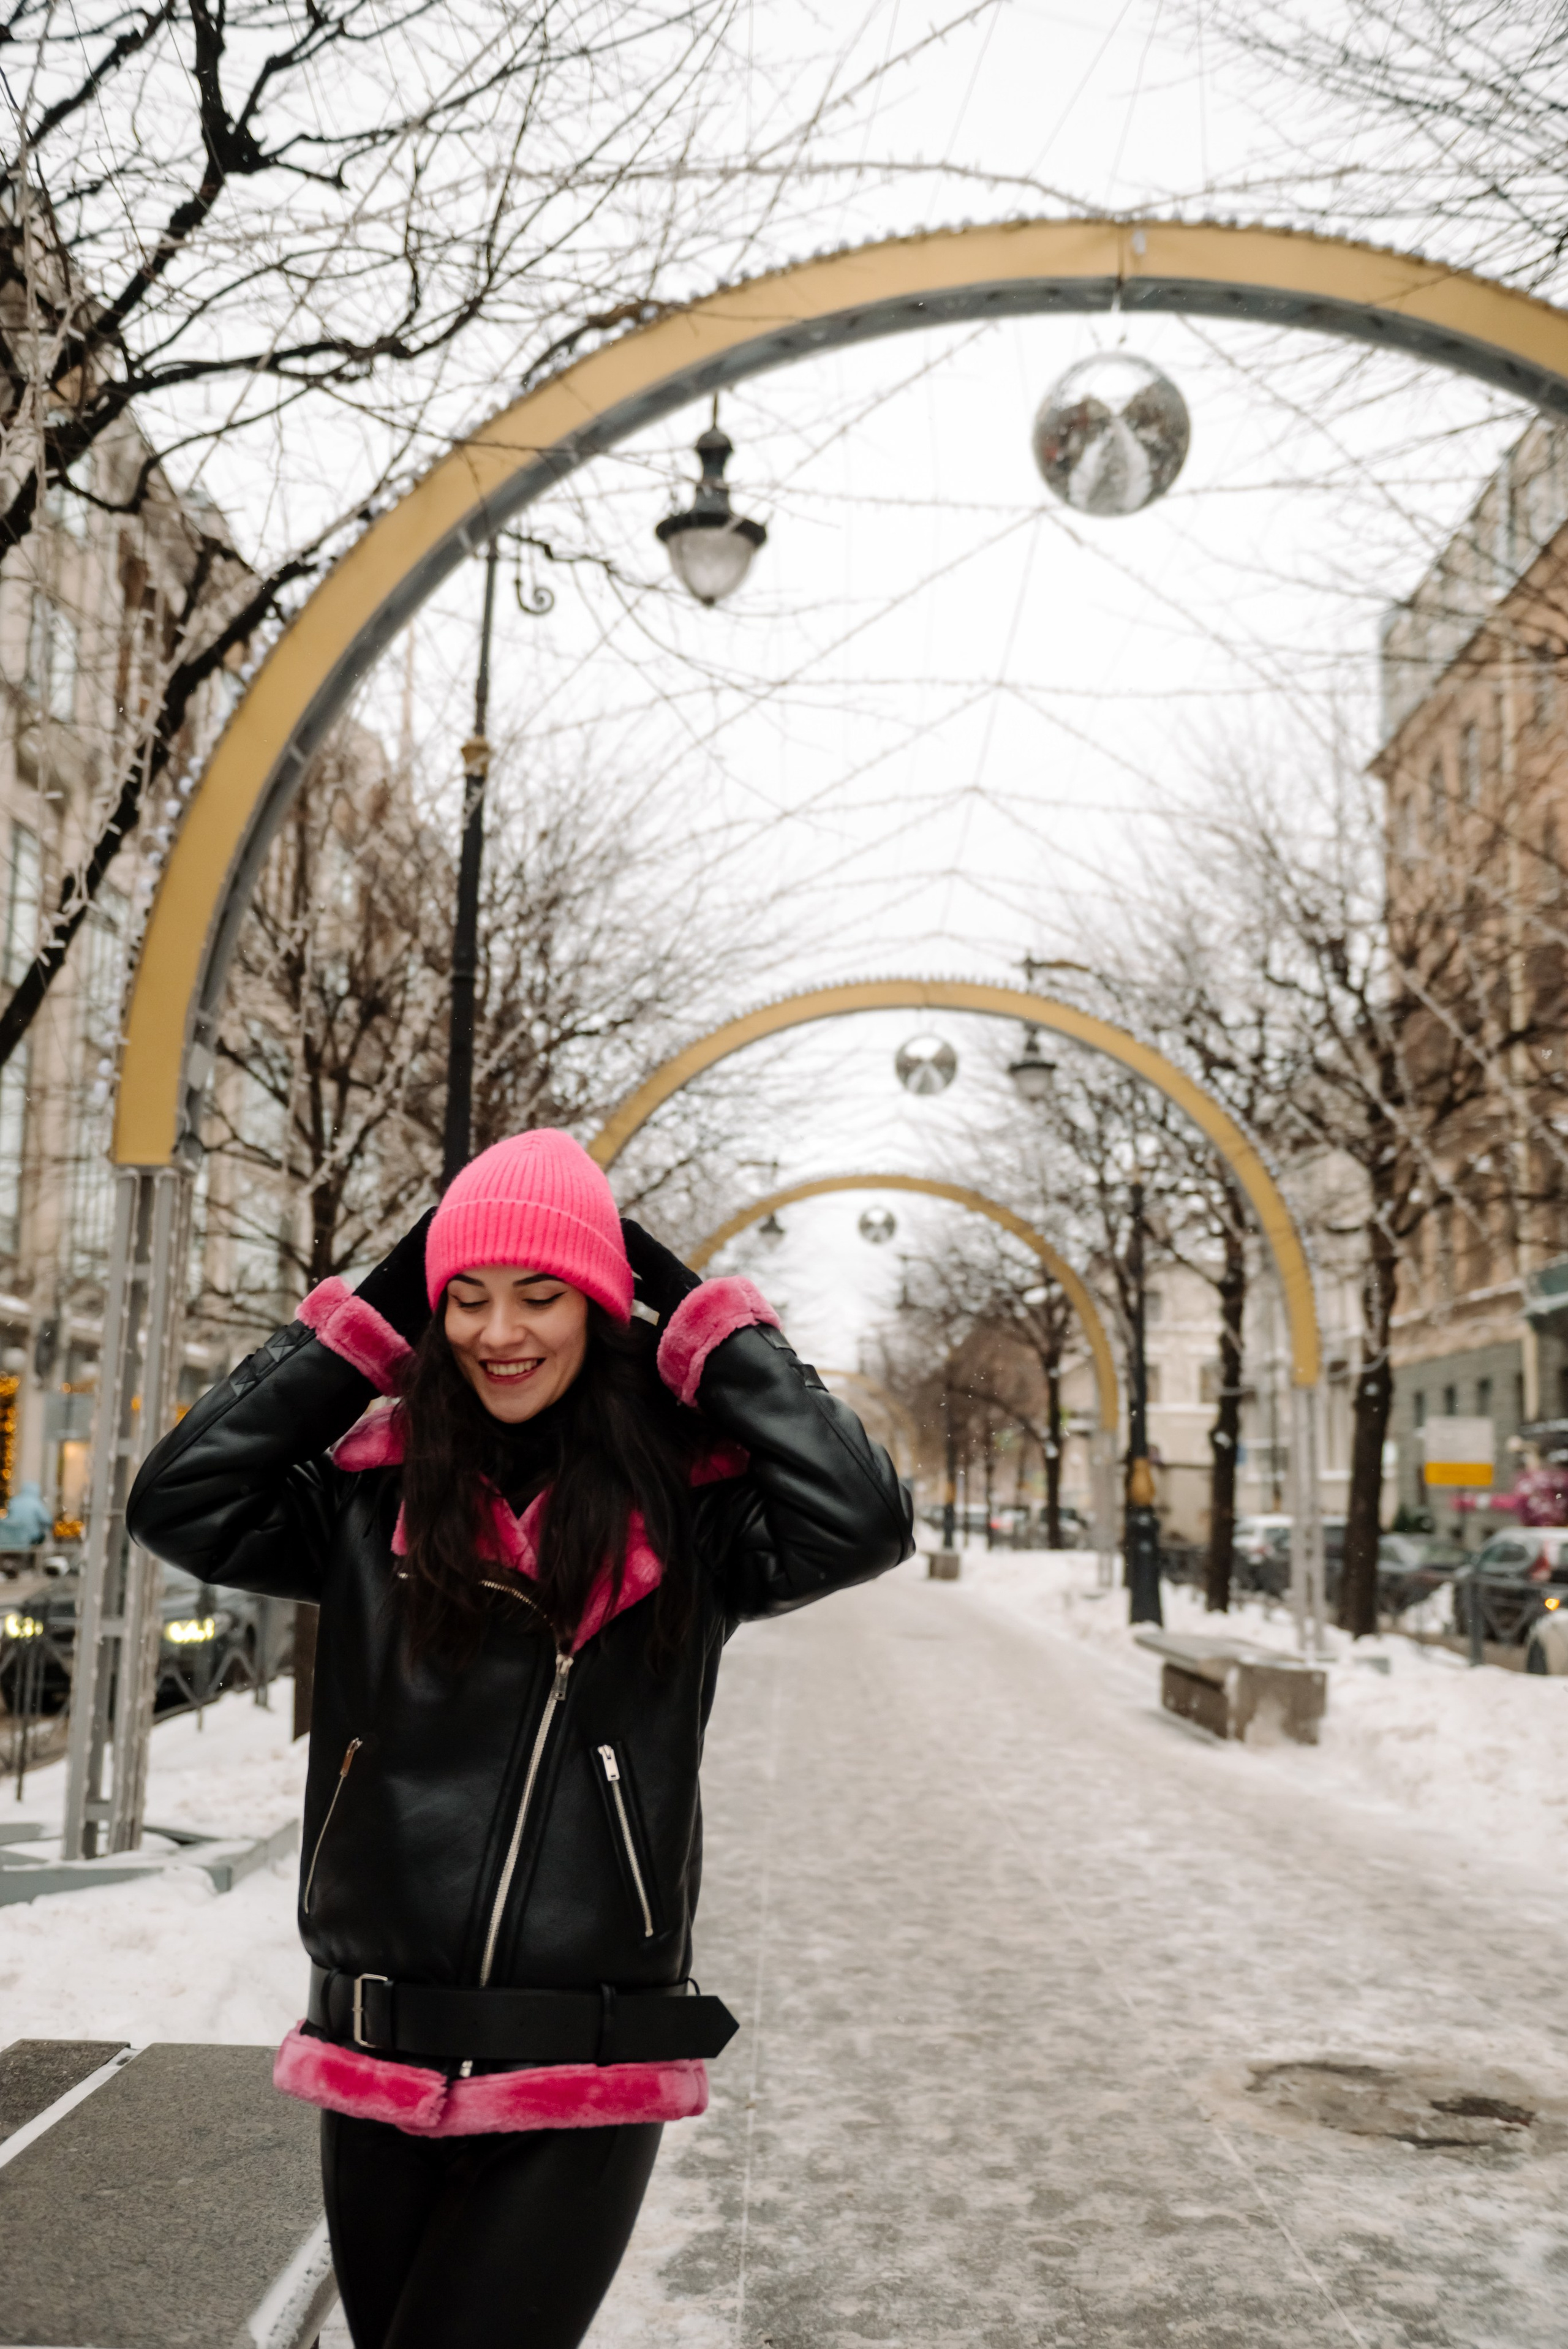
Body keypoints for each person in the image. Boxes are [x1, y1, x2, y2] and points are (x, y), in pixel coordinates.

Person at [128, 1129, 912, 2349]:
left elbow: (859, 1514)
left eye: (541, 1293)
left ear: (602, 1308)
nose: (500, 1330)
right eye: (467, 1299)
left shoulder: (691, 1517)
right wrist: (374, 1306)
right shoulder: (367, 1500)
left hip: (579, 2065)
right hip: (377, 2048)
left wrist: (698, 1309)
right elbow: (180, 1497)